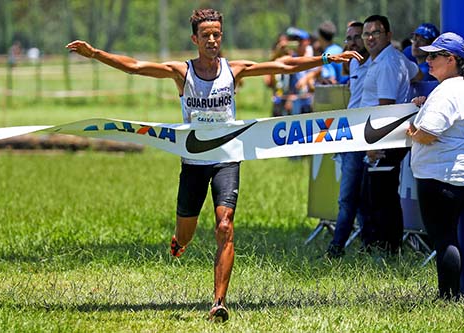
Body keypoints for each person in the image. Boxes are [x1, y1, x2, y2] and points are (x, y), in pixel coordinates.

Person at [66, 8, 361, 322]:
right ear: (195, 39)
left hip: (226, 159)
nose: (211, 40)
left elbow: (284, 64)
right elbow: (136, 67)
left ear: (221, 37)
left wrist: (326, 60)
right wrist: (95, 53)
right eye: (205, 35)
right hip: (194, 161)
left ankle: (219, 302)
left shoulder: (234, 70)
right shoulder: (183, 72)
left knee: (225, 225)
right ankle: (179, 241)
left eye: (216, 34)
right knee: (186, 234)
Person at [407, 32, 464, 300]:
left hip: (439, 178)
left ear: (451, 59)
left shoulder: (446, 91)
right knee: (449, 237)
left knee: (444, 239)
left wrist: (412, 132)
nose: (427, 60)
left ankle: (448, 298)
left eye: (434, 56)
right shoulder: (458, 88)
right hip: (455, 176)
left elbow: (429, 132)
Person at [359, 15, 420, 254]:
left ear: (388, 35)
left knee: (381, 199)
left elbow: (386, 106)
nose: (370, 38)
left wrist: (375, 145)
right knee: (378, 195)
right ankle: (382, 247)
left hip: (382, 139)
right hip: (381, 137)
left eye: (376, 32)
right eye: (367, 33)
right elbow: (417, 76)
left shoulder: (387, 63)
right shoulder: (393, 58)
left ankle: (387, 250)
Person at [326, 21, 371, 258]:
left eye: (357, 37)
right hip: (351, 135)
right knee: (350, 196)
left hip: (370, 136)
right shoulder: (353, 62)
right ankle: (349, 245)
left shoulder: (378, 63)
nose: (352, 42)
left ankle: (339, 247)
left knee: (355, 197)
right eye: (348, 38)